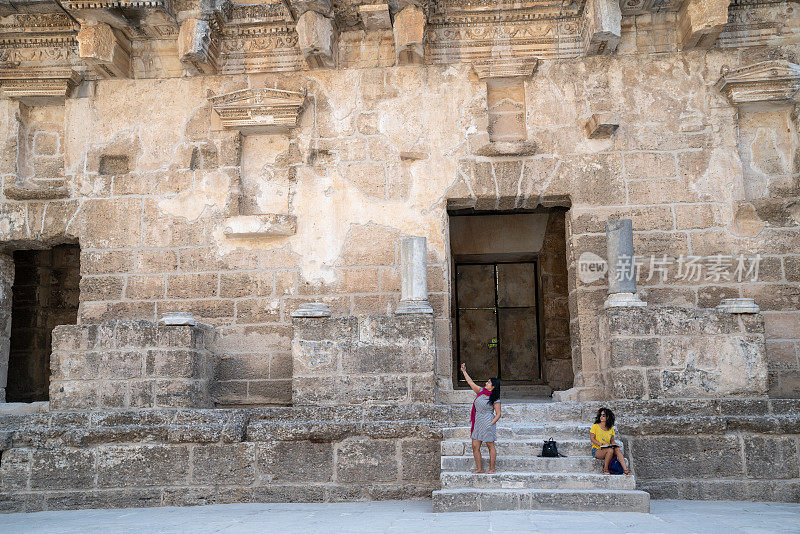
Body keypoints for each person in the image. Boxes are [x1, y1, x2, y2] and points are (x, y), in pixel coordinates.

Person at [460, 363, 501, 474]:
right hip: (477, 422)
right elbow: (470, 383)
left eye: (488, 382)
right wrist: (464, 371)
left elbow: (498, 414)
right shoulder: (481, 391)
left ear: (493, 387)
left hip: (488, 422)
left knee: (490, 445)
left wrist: (490, 423)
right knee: (475, 446)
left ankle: (492, 469)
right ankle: (479, 468)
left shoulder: (495, 399)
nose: (486, 383)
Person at [590, 407, 630, 475]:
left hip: (607, 448)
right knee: (610, 450)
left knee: (617, 449)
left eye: (603, 415)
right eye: (600, 415)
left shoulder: (611, 428)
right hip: (597, 449)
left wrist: (614, 445)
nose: (601, 417)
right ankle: (605, 469)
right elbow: (592, 439)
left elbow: (612, 441)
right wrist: (601, 444)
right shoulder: (595, 426)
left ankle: (625, 470)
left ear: (608, 417)